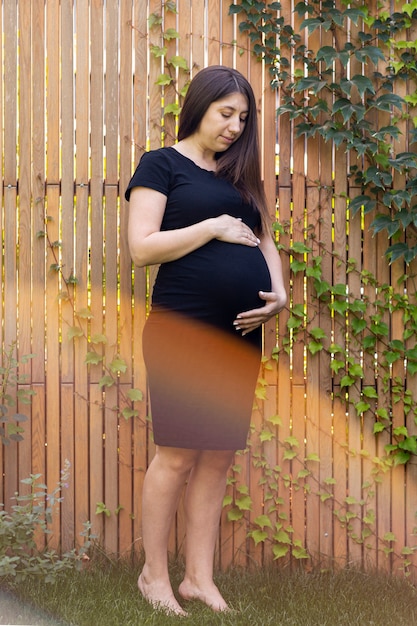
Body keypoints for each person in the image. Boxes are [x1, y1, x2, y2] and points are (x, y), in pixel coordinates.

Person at [125, 65, 287, 616]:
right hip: (182, 327)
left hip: (238, 335)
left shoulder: (239, 176)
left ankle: (198, 578)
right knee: (175, 454)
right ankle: (153, 576)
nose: (236, 126)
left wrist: (280, 293)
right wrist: (212, 227)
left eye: (243, 118)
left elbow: (265, 239)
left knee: (218, 456)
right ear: (200, 106)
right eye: (226, 113)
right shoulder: (161, 164)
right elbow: (142, 247)